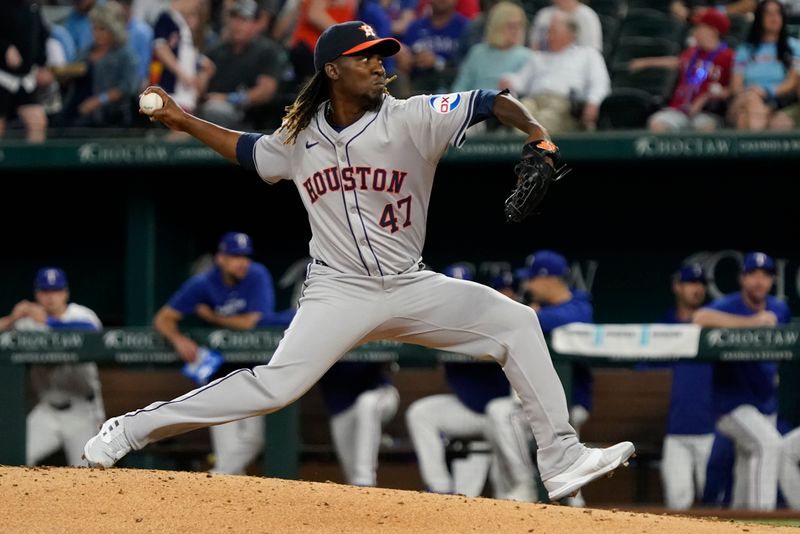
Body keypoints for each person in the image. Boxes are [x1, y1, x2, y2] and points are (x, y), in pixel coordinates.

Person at [84, 21, 635, 504]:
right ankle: (132, 430)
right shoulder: (299, 138)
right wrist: (184, 121)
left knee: (516, 321)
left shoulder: (413, 117)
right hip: (338, 290)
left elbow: (491, 100)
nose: (379, 64)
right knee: (277, 387)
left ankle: (561, 458)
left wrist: (536, 132)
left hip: (409, 284)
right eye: (366, 57)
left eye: (382, 55)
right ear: (332, 70)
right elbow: (248, 149)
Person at [151, 231, 291, 475]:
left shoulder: (257, 275)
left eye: (245, 256)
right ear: (221, 259)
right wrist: (178, 339)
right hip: (217, 372)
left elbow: (253, 321)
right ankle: (222, 495)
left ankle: (215, 478)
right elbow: (163, 318)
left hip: (251, 370)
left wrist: (212, 317)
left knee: (253, 439)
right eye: (235, 256)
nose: (242, 262)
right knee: (228, 450)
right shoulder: (203, 283)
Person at [485, 250, 593, 504]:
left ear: (549, 279)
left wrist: (530, 314)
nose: (528, 285)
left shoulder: (579, 304)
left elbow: (575, 317)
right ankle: (525, 487)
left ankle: (531, 487)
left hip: (571, 403)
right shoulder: (536, 307)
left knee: (505, 414)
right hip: (538, 403)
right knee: (502, 413)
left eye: (532, 279)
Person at [693, 251, 790, 510]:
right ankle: (765, 523)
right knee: (769, 444)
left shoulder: (779, 308)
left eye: (765, 275)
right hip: (731, 404)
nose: (759, 281)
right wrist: (751, 323)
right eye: (753, 275)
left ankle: (741, 522)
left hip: (765, 400)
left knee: (749, 467)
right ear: (742, 278)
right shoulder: (730, 305)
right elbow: (700, 318)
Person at [405, 263, 512, 497]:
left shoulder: (491, 314)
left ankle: (514, 503)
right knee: (421, 412)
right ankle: (440, 487)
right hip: (472, 410)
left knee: (506, 485)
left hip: (506, 413)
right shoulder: (434, 319)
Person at [0, 267, 104, 467]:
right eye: (45, 291)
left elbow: (92, 332)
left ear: (65, 293)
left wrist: (49, 321)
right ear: (37, 294)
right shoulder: (28, 322)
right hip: (47, 411)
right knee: (12, 460)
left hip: (82, 412)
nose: (50, 297)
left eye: (56, 291)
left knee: (89, 473)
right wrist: (13, 319)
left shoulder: (81, 315)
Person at [655, 263, 717, 510]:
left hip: (711, 430)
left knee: (717, 507)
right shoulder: (664, 327)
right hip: (676, 432)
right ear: (677, 286)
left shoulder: (714, 326)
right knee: (677, 506)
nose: (697, 288)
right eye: (691, 282)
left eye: (700, 283)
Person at [498, 12, 610, 132]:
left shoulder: (587, 55)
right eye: (548, 31)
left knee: (543, 120)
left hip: (563, 105)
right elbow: (520, 80)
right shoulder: (538, 57)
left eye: (553, 31)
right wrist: (509, 80)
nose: (548, 36)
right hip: (533, 100)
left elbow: (600, 82)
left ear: (570, 34)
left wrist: (593, 102)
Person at [630, 9, 735, 133]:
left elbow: (733, 90)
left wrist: (706, 97)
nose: (694, 31)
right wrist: (645, 63)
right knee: (657, 124)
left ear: (713, 30)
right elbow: (676, 62)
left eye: (700, 27)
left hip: (707, 112)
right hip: (680, 110)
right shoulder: (692, 52)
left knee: (706, 128)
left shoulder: (729, 56)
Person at [196, 0, 287, 130]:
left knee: (215, 109)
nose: (237, 25)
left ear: (256, 24)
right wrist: (203, 76)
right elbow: (199, 90)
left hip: (247, 116)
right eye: (234, 18)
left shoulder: (268, 51)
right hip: (207, 107)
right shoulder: (215, 50)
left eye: (243, 20)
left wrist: (228, 99)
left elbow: (266, 91)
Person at [58, 1, 141, 128]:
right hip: (75, 112)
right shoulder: (85, 52)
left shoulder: (125, 55)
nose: (96, 34)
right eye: (94, 28)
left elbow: (128, 86)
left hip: (109, 117)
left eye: (102, 29)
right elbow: (70, 79)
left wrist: (98, 101)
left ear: (114, 29)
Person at [317, 361, 399, 487]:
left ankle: (365, 480)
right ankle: (364, 495)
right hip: (339, 406)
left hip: (377, 392)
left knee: (367, 404)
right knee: (352, 477)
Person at [726, 0, 800, 130]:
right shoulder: (745, 50)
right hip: (744, 98)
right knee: (750, 102)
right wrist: (750, 93)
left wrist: (765, 91)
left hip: (778, 100)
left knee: (744, 118)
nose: (774, 18)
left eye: (778, 13)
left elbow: (793, 81)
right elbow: (736, 86)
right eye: (768, 14)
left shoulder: (794, 47)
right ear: (759, 18)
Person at [451, 1, 533, 93]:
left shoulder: (527, 56)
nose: (516, 31)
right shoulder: (477, 52)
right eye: (511, 26)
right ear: (497, 26)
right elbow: (460, 86)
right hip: (476, 102)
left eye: (519, 25)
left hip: (507, 104)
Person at [0, 0, 50, 143]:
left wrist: (42, 64)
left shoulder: (33, 6)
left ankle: (36, 163)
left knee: (37, 122)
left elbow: (41, 35)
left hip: (24, 79)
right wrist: (5, 48)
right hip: (2, 77)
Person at [528, 0, 602, 53]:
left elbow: (592, 52)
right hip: (545, 64)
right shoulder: (543, 14)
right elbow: (534, 48)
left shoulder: (587, 16)